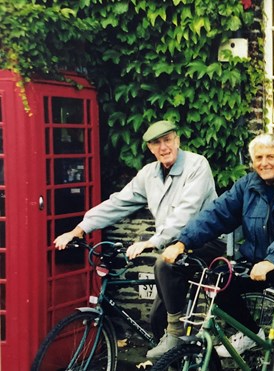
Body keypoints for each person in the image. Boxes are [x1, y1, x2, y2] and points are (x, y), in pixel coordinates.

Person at [53, 120, 225, 359]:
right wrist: (81, 228)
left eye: (167, 140)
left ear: (177, 140)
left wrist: (152, 242)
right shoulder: (149, 174)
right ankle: (174, 358)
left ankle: (175, 333)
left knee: (164, 265)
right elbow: (118, 202)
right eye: (157, 143)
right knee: (156, 320)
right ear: (150, 148)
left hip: (206, 241)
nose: (163, 147)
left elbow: (186, 213)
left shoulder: (197, 165)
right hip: (172, 247)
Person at [165, 133, 274, 370]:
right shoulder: (247, 185)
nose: (264, 162)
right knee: (218, 279)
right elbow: (217, 214)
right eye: (259, 157)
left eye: (270, 156)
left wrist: (272, 260)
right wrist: (182, 242)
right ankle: (252, 334)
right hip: (259, 264)